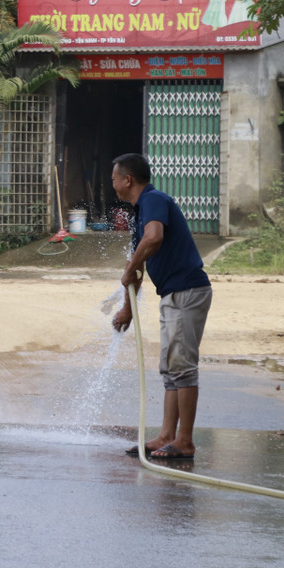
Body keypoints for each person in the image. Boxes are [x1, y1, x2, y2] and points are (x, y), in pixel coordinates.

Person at [110, 153, 213, 459]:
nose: (112, 185)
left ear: (128, 180)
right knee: (170, 368)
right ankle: (167, 436)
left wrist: (132, 267)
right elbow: (137, 268)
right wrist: (128, 309)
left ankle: (185, 441)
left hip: (187, 291)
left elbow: (153, 239)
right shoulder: (140, 213)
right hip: (172, 294)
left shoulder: (153, 200)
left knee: (182, 366)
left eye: (114, 179)